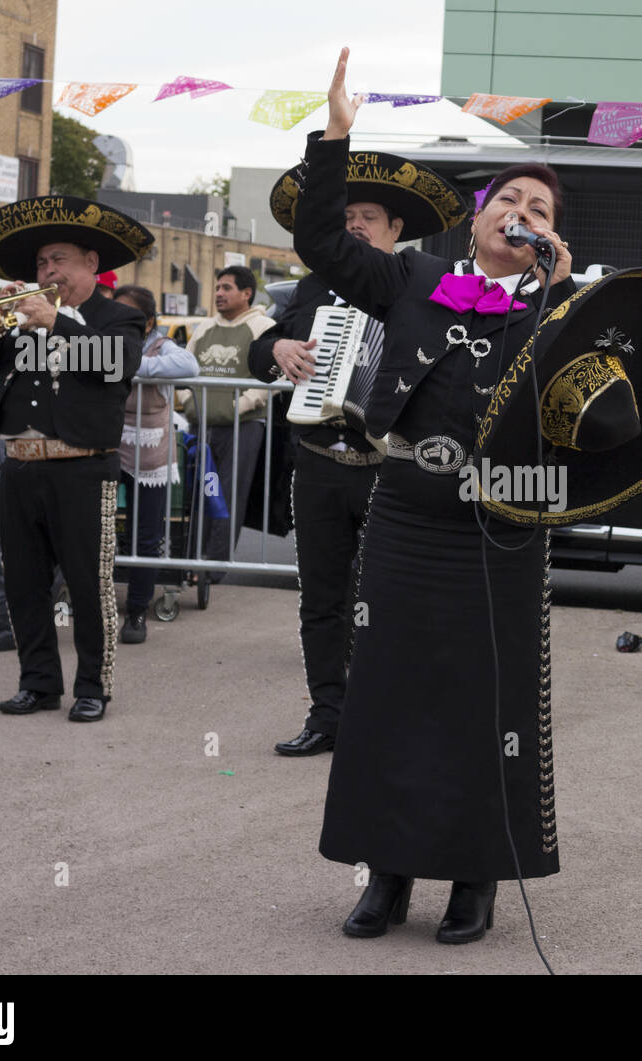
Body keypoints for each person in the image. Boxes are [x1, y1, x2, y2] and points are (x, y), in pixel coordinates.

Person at [293, 48, 574, 944]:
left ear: (549, 239)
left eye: (539, 211)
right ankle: (387, 876)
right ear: (481, 218)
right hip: (409, 515)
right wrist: (337, 137)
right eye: (509, 202)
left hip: (500, 531)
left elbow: (590, 417)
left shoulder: (554, 314)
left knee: (484, 705)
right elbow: (323, 244)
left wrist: (558, 303)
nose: (520, 216)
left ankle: (477, 879)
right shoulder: (412, 279)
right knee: (390, 696)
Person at [250, 144, 465, 758]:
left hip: (389, 469)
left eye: (367, 216)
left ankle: (387, 716)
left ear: (396, 230)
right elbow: (260, 349)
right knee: (321, 598)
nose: (354, 225)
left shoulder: (427, 285)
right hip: (319, 464)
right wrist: (277, 353)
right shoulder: (313, 286)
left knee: (391, 599)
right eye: (345, 215)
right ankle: (328, 714)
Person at [0, 195, 153, 723]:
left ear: (90, 264)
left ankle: (92, 686)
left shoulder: (119, 318)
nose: (49, 271)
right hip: (21, 462)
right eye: (42, 263)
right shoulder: (23, 318)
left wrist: (56, 322)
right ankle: (39, 683)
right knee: (23, 582)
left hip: (82, 466)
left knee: (89, 583)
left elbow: (115, 366)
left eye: (60, 261)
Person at [112, 285, 199, 644]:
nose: (120, 323)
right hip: (109, 447)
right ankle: (93, 602)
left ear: (148, 322)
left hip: (151, 453)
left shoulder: (164, 348)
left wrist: (133, 364)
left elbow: (190, 365)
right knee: (95, 530)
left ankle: (136, 612)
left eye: (129, 317)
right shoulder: (101, 343)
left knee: (146, 535)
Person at [182, 266, 276, 577]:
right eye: (217, 287)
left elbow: (273, 374)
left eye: (227, 288)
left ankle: (215, 567)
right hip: (201, 424)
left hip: (243, 426)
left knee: (226, 496)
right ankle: (190, 561)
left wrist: (242, 404)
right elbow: (184, 367)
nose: (219, 293)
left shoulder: (264, 326)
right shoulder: (205, 327)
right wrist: (186, 401)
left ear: (247, 293)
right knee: (195, 495)